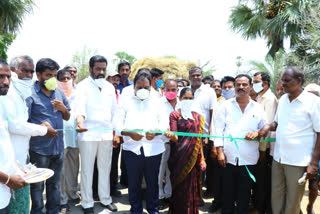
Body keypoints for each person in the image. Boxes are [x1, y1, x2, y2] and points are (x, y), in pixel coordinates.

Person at [258, 67, 320, 214]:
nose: (283, 84)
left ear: (298, 81)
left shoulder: (314, 102)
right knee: (277, 197)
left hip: (298, 161)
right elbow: (277, 124)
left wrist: (313, 163)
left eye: (287, 80)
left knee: (293, 201)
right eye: (282, 80)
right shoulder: (283, 100)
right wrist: (267, 127)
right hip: (278, 158)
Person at [6, 56, 56, 214]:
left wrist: (37, 129)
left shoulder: (20, 92)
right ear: (13, 71)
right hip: (9, 162)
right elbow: (14, 124)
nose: (28, 74)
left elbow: (21, 124)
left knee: (21, 204)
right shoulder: (7, 93)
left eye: (31, 71)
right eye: (24, 70)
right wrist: (42, 130)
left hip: (21, 157)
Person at [114, 68, 168, 214]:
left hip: (154, 148)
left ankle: (153, 209)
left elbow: (164, 124)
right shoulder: (125, 100)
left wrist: (156, 133)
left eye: (146, 87)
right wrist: (129, 133)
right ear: (134, 87)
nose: (142, 90)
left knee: (153, 182)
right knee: (133, 182)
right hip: (132, 148)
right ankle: (136, 209)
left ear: (150, 87)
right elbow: (117, 125)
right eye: (139, 87)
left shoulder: (158, 101)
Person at [215, 74, 267, 214]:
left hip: (248, 160)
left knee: (244, 197)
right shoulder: (225, 106)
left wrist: (257, 133)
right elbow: (218, 130)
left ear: (250, 87)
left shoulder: (258, 108)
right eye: (238, 85)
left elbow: (265, 127)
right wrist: (219, 151)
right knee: (228, 196)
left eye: (244, 85)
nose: (241, 87)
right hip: (228, 159)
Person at [27, 58, 71, 214]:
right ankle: (38, 211)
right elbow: (23, 124)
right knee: (37, 185)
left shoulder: (58, 92)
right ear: (38, 75)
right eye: (48, 75)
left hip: (58, 148)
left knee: (55, 184)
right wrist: (41, 129)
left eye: (54, 75)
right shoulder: (30, 94)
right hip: (39, 149)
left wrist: (63, 108)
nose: (51, 79)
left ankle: (53, 210)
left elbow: (67, 116)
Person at [74, 55, 117, 214]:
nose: (101, 72)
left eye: (104, 69)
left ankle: (106, 199)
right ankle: (87, 202)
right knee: (87, 169)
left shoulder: (109, 87)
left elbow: (115, 112)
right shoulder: (82, 86)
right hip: (87, 134)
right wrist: (80, 122)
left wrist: (117, 132)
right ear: (91, 68)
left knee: (105, 168)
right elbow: (79, 108)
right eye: (98, 68)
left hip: (106, 134)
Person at [168, 87, 206, 214]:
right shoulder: (175, 115)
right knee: (180, 187)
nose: (188, 101)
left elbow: (199, 140)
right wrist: (170, 134)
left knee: (192, 187)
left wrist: (202, 158)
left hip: (194, 158)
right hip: (179, 158)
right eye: (185, 98)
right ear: (180, 99)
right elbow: (175, 136)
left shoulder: (198, 117)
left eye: (191, 98)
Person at [0, 58, 28, 214]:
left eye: (8, 77)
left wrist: (14, 167)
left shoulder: (1, 104)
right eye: (0, 76)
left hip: (3, 193)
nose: (6, 82)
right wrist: (9, 180)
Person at [188, 67, 217, 200]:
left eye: (198, 75)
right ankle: (188, 195)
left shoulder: (209, 91)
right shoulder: (186, 91)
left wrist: (208, 137)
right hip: (186, 137)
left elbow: (213, 115)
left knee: (201, 167)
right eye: (193, 75)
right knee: (188, 167)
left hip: (203, 137)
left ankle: (198, 196)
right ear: (189, 77)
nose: (196, 77)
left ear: (202, 76)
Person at [252, 71, 278, 214]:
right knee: (257, 180)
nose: (253, 84)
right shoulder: (259, 97)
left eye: (256, 82)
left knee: (263, 181)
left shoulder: (269, 99)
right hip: (257, 146)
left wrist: (262, 150)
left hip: (265, 148)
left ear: (265, 83)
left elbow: (266, 127)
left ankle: (261, 208)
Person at [57, 69, 80, 213]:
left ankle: (72, 193)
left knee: (73, 168)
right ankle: (62, 199)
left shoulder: (78, 93)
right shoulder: (54, 93)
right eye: (63, 79)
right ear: (58, 80)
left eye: (68, 78)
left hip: (75, 136)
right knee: (61, 171)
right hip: (60, 137)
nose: (66, 81)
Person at [158, 79, 180, 210]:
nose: (171, 92)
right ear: (164, 90)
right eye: (168, 89)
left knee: (172, 171)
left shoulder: (182, 104)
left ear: (177, 90)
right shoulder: (159, 104)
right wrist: (164, 129)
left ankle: (169, 195)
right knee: (160, 171)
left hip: (177, 143)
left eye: (173, 90)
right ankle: (159, 196)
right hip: (162, 141)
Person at [303, 83, 320, 214]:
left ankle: (309, 206)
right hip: (299, 153)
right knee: (295, 185)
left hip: (316, 154)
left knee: (314, 186)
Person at [116, 61, 132, 187]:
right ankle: (117, 180)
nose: (124, 72)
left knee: (127, 153)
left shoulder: (133, 87)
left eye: (127, 70)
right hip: (117, 123)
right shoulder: (115, 85)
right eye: (122, 70)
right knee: (116, 154)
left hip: (129, 124)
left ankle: (126, 178)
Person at [106, 70, 122, 197]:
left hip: (115, 135)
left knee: (114, 163)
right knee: (100, 164)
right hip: (103, 135)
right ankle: (97, 190)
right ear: (108, 80)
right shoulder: (104, 93)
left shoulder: (119, 94)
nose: (115, 82)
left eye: (117, 80)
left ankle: (112, 188)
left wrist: (117, 134)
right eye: (113, 79)